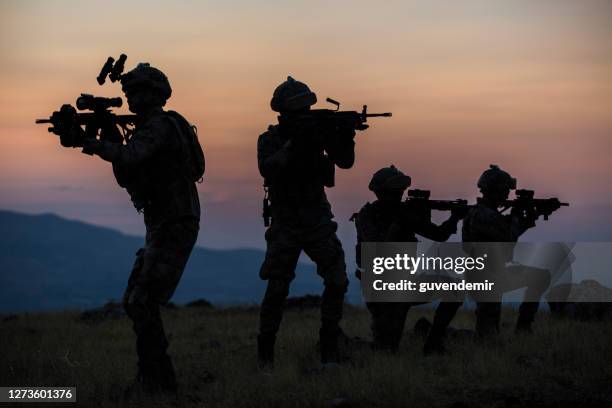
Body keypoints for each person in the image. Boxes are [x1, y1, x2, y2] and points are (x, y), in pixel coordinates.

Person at [55, 62, 204, 392]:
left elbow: (132, 156)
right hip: (163, 224)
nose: (130, 98)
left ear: (152, 95)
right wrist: (106, 132)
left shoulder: (160, 127)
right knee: (134, 300)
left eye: (135, 92)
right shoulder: (150, 129)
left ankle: (159, 382)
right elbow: (127, 174)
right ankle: (154, 379)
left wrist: (90, 142)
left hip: (175, 222)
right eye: (127, 93)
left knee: (142, 301)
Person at [256, 76, 357, 367]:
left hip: (317, 219)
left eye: (306, 110)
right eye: (297, 112)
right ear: (283, 114)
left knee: (337, 280)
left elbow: (345, 162)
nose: (303, 116)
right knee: (277, 287)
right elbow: (268, 169)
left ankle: (329, 344)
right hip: (286, 222)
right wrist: (294, 144)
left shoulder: (318, 133)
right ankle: (266, 353)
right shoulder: (271, 139)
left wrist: (344, 135)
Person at [352, 165, 466, 354]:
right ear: (380, 193)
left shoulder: (404, 214)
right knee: (386, 350)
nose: (397, 197)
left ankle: (433, 343)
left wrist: (454, 217)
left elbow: (439, 234)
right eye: (393, 193)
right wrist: (400, 222)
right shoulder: (367, 216)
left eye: (399, 193)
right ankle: (343, 343)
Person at [462, 165, 551, 336]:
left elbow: (509, 232)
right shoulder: (484, 215)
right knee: (487, 338)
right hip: (485, 278)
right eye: (504, 191)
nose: (506, 195)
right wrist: (518, 214)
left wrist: (533, 215)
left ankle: (524, 329)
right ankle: (449, 334)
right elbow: (508, 236)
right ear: (495, 191)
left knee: (540, 277)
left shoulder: (486, 214)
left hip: (494, 273)